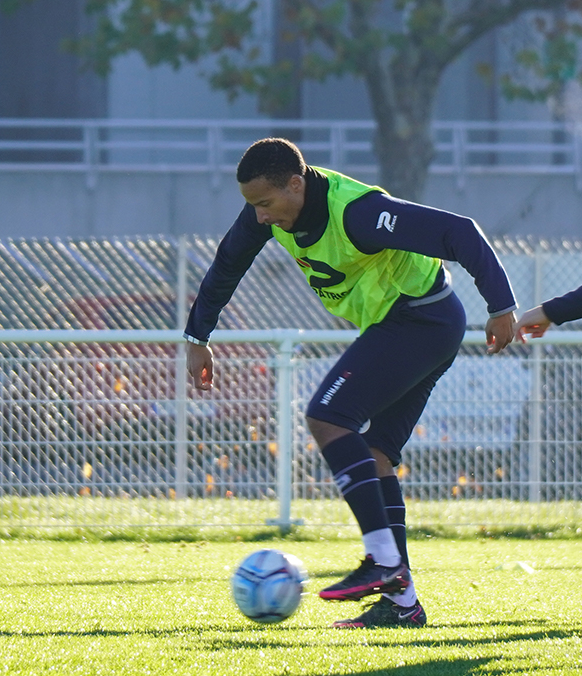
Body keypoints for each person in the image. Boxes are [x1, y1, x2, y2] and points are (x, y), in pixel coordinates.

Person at [185, 137, 521, 628]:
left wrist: (501, 305)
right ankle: (402, 605)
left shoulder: (359, 213)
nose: (258, 216)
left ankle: (384, 562)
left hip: (419, 320)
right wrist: (198, 336)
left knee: (327, 416)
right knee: (376, 454)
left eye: (264, 204)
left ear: (296, 185)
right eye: (252, 206)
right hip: (413, 325)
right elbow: (227, 264)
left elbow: (459, 232)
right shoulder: (268, 213)